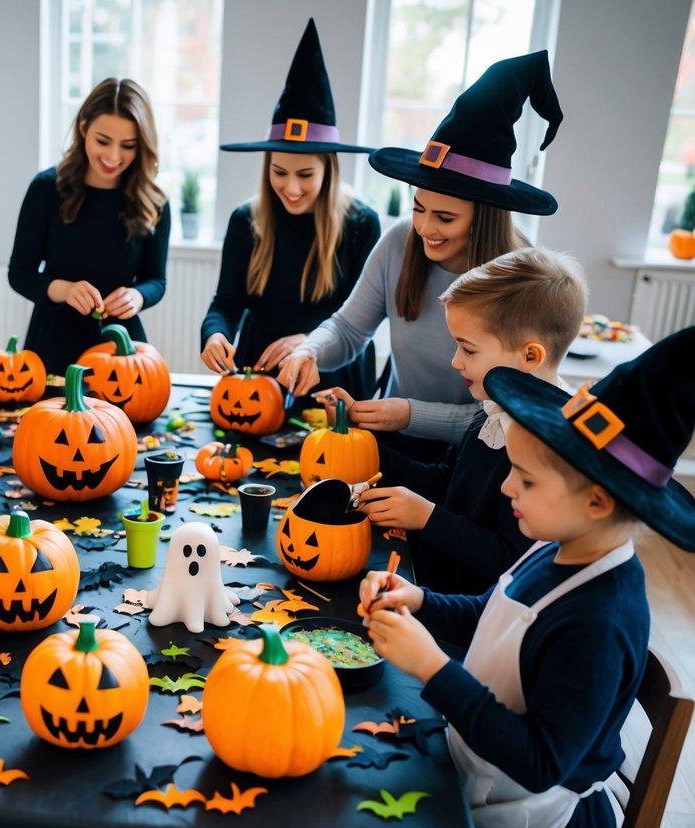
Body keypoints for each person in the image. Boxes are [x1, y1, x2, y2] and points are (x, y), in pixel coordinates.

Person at [359, 327, 695, 828]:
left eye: (527, 479)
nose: (505, 484)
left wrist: (432, 667)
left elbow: (539, 762)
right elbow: (493, 613)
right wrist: (420, 599)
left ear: (597, 502)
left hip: (536, 814)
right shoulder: (556, 546)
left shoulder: (600, 621)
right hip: (478, 763)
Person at [279, 51, 563, 454]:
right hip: (395, 443)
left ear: (483, 218)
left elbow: (509, 412)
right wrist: (309, 349)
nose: (425, 228)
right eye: (418, 208)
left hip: (477, 456)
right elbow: (348, 329)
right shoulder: (399, 241)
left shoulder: (522, 275)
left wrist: (411, 414)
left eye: (445, 218)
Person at [355, 247, 587, 594]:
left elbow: (507, 557)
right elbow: (451, 479)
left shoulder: (544, 445)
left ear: (529, 356)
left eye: (469, 349)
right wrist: (368, 453)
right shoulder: (493, 408)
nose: (456, 362)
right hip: (434, 587)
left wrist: (426, 517)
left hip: (472, 612)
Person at [201, 19, 380, 399]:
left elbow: (361, 319)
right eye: (279, 172)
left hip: (332, 369)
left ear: (329, 170)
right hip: (259, 371)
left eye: (305, 174)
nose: (291, 188)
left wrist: (310, 341)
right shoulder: (245, 220)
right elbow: (226, 302)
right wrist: (214, 332)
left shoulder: (361, 224)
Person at [8, 77, 171, 374]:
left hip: (122, 351)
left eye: (128, 146)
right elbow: (20, 274)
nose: (113, 157)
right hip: (52, 347)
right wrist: (65, 290)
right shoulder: (46, 189)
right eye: (103, 141)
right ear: (84, 128)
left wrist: (138, 296)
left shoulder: (154, 200)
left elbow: (156, 280)